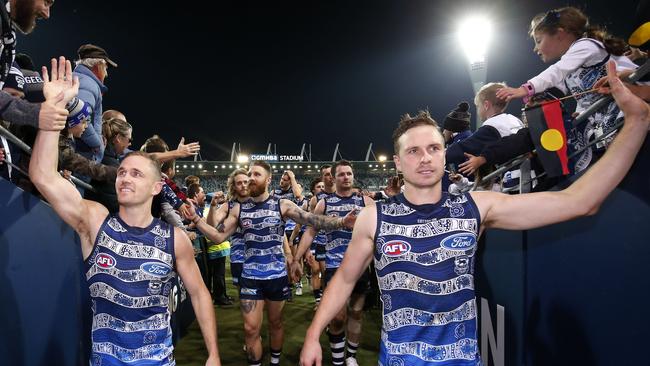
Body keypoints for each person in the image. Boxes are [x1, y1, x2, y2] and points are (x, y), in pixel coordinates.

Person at [299, 62, 649, 366]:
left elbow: (579, 201)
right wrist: (315, 333)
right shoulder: (374, 217)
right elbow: (344, 280)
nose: (425, 157)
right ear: (398, 162)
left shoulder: (476, 206)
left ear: (444, 154)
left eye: (434, 148)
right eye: (414, 151)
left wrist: (636, 122)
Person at [29, 58, 221, 366]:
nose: (125, 177)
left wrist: (213, 353)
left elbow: (199, 293)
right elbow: (42, 175)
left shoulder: (175, 240)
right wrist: (53, 111)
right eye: (122, 172)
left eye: (136, 174)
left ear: (157, 187)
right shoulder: (94, 221)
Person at [186, 160, 357, 366]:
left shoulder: (281, 204)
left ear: (268, 179)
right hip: (250, 278)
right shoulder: (239, 209)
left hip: (276, 276)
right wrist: (196, 220)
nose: (250, 178)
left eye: (256, 174)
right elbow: (218, 237)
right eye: (249, 174)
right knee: (250, 329)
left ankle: (275, 362)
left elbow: (312, 220)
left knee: (275, 323)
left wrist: (340, 222)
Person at [496, 6, 636, 172]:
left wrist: (526, 89)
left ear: (560, 34)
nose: (535, 49)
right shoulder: (571, 68)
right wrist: (579, 111)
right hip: (607, 117)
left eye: (539, 41)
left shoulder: (585, 45)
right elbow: (580, 97)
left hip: (628, 106)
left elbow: (557, 71)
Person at [291, 160, 374, 366]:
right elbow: (310, 230)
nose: (346, 177)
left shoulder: (365, 201)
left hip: (361, 266)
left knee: (356, 313)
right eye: (341, 174)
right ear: (334, 178)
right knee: (337, 318)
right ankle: (338, 361)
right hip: (335, 266)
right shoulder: (325, 203)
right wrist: (297, 258)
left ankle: (351, 357)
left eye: (349, 173)